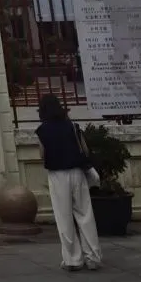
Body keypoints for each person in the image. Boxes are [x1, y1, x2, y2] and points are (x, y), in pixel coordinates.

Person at [36, 94, 102, 271]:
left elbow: (42, 155)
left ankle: (73, 259)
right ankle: (93, 257)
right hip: (77, 172)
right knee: (85, 214)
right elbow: (85, 150)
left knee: (64, 217)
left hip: (57, 175)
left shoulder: (42, 130)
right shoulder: (72, 126)